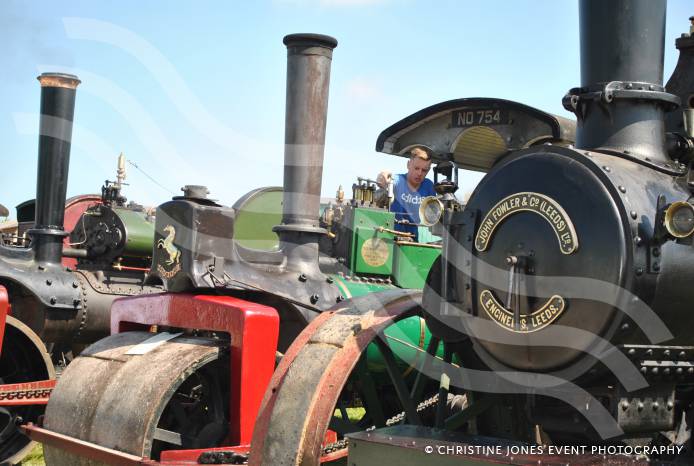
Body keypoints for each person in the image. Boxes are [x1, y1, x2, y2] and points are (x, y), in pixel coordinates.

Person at [377, 147, 436, 241]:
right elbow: (387, 178)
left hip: (413, 239)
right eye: (416, 168)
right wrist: (382, 176)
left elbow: (433, 215)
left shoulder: (429, 186)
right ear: (408, 165)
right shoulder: (398, 181)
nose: (420, 173)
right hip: (392, 237)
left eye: (424, 170)